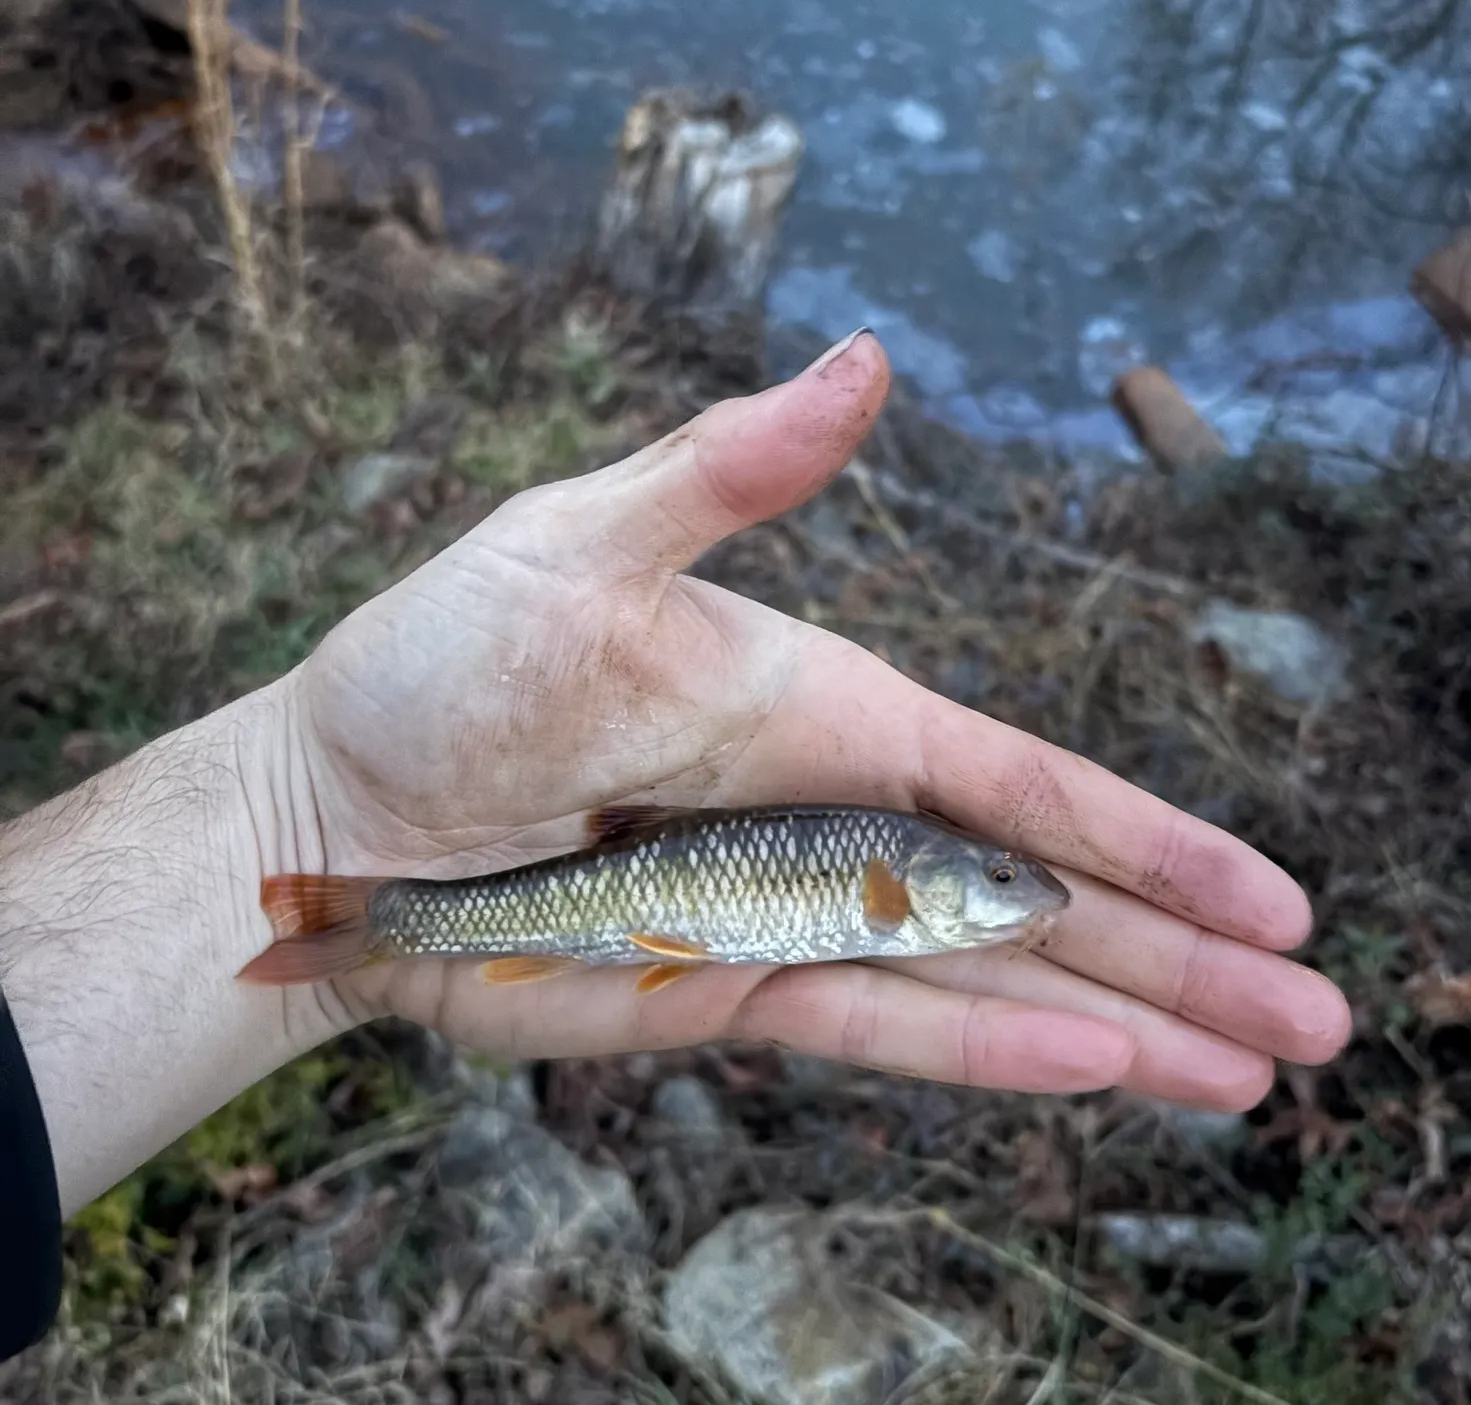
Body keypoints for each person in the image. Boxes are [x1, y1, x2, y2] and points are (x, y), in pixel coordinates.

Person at [0, 330, 1351, 1359]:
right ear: (938, 878)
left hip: (628, 902)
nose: (1014, 890)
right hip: (598, 891)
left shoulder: (895, 871)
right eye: (999, 874)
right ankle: (377, 916)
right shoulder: (890, 873)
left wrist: (287, 801)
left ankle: (369, 917)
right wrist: (298, 799)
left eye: (1007, 880)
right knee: (447, 913)